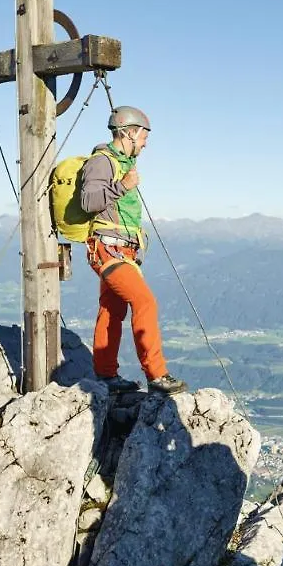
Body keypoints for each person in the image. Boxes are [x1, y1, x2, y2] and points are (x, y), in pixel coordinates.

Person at [79, 106, 187, 395]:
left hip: (118, 250)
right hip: (109, 250)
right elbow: (89, 202)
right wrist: (122, 186)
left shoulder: (120, 163)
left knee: (112, 310)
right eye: (144, 136)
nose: (145, 143)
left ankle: (105, 376)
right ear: (129, 132)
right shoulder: (102, 162)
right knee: (145, 302)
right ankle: (156, 374)